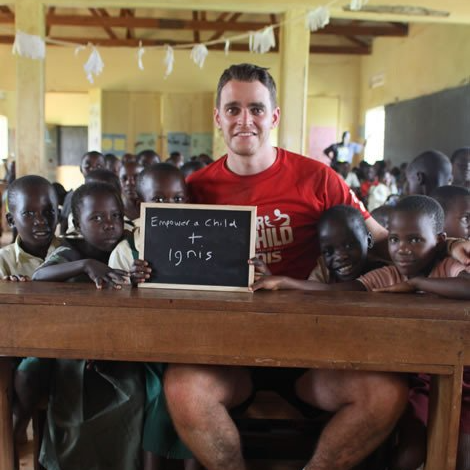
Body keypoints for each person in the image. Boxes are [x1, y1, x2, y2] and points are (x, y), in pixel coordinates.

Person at [163, 63, 408, 470]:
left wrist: (449, 247)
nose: (245, 120)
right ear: (218, 117)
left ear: (274, 117)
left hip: (313, 347)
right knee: (183, 387)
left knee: (385, 393)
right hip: (226, 349)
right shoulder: (196, 189)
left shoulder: (318, 179)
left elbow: (382, 240)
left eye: (257, 109)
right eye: (234, 109)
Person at [32, 183, 143, 470]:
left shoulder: (132, 245)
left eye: (116, 216)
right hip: (75, 353)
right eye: (97, 218)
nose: (109, 225)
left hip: (126, 350)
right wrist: (84, 265)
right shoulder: (72, 251)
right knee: (74, 412)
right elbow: (39, 276)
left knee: (133, 398)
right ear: (77, 224)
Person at [108, 163, 198, 470]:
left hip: (193, 341)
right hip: (145, 346)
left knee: (189, 389)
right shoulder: (127, 249)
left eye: (177, 199)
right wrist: (129, 282)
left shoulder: (204, 239)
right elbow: (109, 305)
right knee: (163, 390)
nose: (170, 207)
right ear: (141, 204)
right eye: (158, 200)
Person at [0, 176, 61, 452]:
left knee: (32, 370)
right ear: (11, 220)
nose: (41, 221)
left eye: (49, 212)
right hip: (12, 350)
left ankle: (18, 422)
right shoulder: (3, 261)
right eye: (29, 213)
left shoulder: (69, 253)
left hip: (62, 348)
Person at [60, 151, 106, 235]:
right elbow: (64, 225)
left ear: (105, 168)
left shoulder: (110, 196)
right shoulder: (72, 196)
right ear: (81, 169)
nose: (93, 169)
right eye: (88, 166)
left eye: (98, 166)